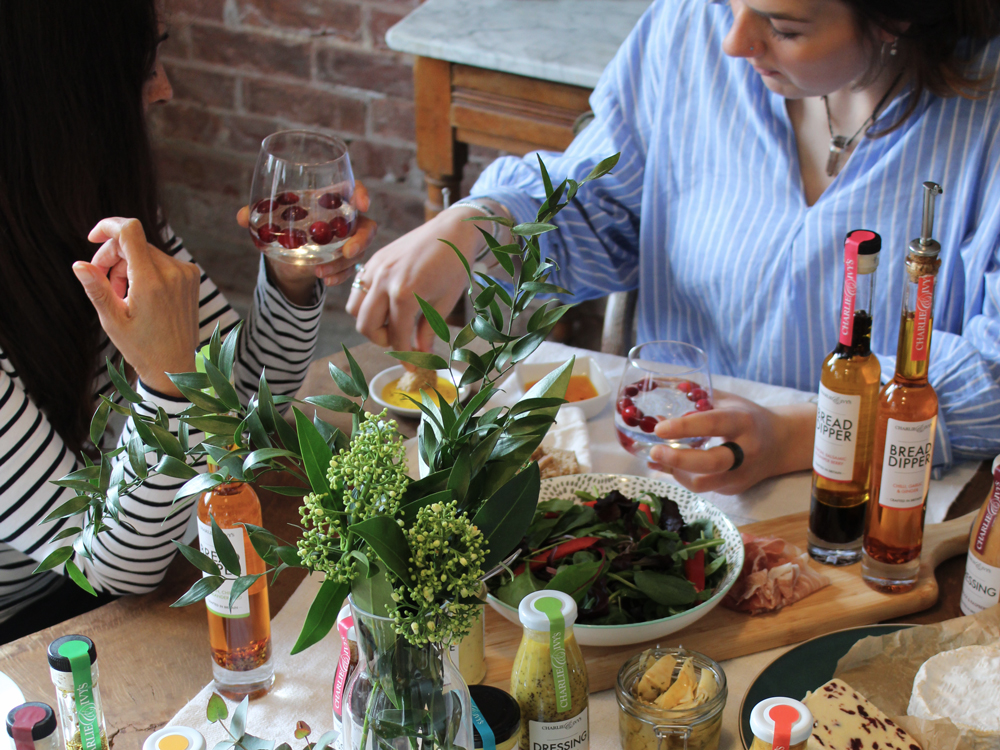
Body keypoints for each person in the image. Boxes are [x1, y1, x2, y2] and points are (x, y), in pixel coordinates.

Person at [343, 0, 1000, 495]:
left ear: (898, 18)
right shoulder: (690, 26)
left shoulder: (986, 116)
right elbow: (602, 213)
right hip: (669, 479)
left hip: (883, 507)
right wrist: (484, 221)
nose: (734, 40)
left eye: (785, 26)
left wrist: (806, 432)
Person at [0, 0, 371, 641]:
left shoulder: (93, 202)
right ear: (60, 93)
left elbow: (244, 417)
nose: (165, 88)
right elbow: (103, 567)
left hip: (157, 562)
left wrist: (289, 277)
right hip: (36, 634)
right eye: (143, 65)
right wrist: (167, 386)